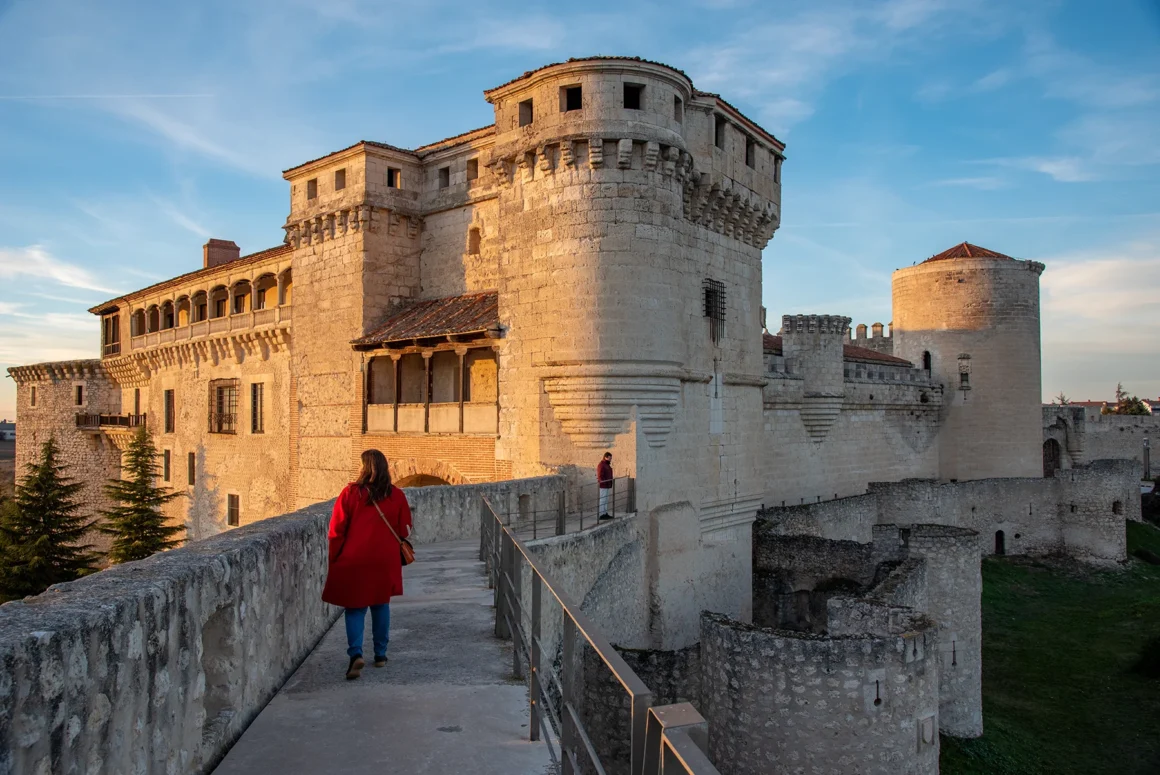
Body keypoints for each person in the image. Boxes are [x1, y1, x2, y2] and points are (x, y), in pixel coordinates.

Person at [321, 449, 413, 680]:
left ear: (364, 467)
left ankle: (356, 654)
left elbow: (336, 530)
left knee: (355, 608)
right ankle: (380, 655)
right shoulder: (397, 495)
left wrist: (335, 557)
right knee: (381, 605)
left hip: (355, 560)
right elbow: (404, 530)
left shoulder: (351, 493)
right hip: (384, 561)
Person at [597, 452, 614, 520]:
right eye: (609, 458)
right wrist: (604, 482)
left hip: (607, 484)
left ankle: (605, 513)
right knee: (603, 500)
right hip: (603, 485)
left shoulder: (606, 464)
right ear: (605, 457)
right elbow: (600, 475)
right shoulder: (602, 465)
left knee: (606, 500)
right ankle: (601, 514)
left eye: (611, 458)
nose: (610, 459)